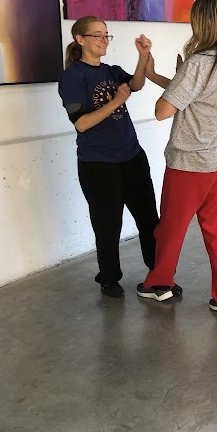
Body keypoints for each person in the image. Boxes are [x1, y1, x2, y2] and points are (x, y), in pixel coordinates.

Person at [136, 0, 217, 319]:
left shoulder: (199, 63)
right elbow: (199, 98)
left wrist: (181, 75)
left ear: (201, 22)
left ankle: (160, 283)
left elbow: (162, 111)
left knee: (171, 229)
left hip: (192, 164)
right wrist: (159, 75)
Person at [58, 16, 159, 298]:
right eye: (97, 35)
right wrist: (116, 101)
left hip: (132, 156)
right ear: (80, 40)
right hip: (98, 164)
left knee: (149, 220)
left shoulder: (111, 71)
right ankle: (109, 278)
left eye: (106, 35)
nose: (104, 40)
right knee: (108, 225)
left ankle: (158, 272)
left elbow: (136, 84)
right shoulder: (73, 76)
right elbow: (81, 123)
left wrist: (143, 57)